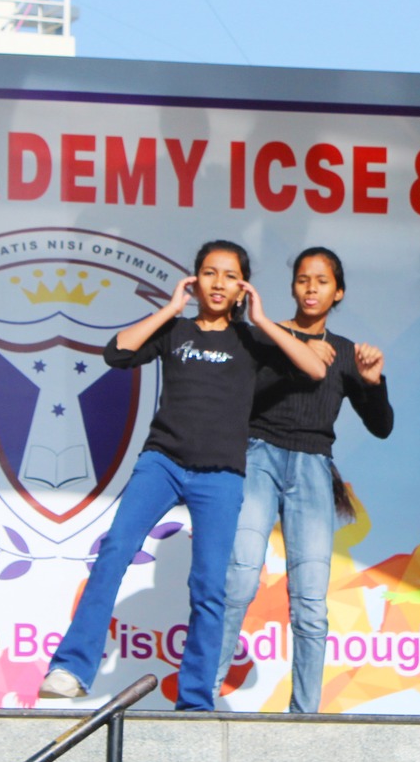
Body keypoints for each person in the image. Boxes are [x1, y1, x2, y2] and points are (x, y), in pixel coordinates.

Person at [39, 240, 328, 710]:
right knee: (114, 551)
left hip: (220, 475)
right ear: (194, 280)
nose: (219, 283)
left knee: (210, 587)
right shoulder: (175, 331)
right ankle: (71, 668)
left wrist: (262, 320)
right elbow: (117, 352)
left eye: (230, 276)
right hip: (163, 463)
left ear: (242, 287)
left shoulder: (252, 341)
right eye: (210, 273)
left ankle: (194, 701)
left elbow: (315, 369)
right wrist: (170, 309)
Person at [215, 246, 395, 712]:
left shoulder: (347, 352)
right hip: (258, 456)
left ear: (339, 292)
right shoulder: (264, 337)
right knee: (238, 581)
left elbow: (382, 426)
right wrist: (295, 354)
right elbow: (240, 397)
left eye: (321, 281)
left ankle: (305, 715)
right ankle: (201, 697)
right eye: (302, 280)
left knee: (311, 602)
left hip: (314, 467)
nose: (311, 289)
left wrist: (373, 382)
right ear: (293, 287)